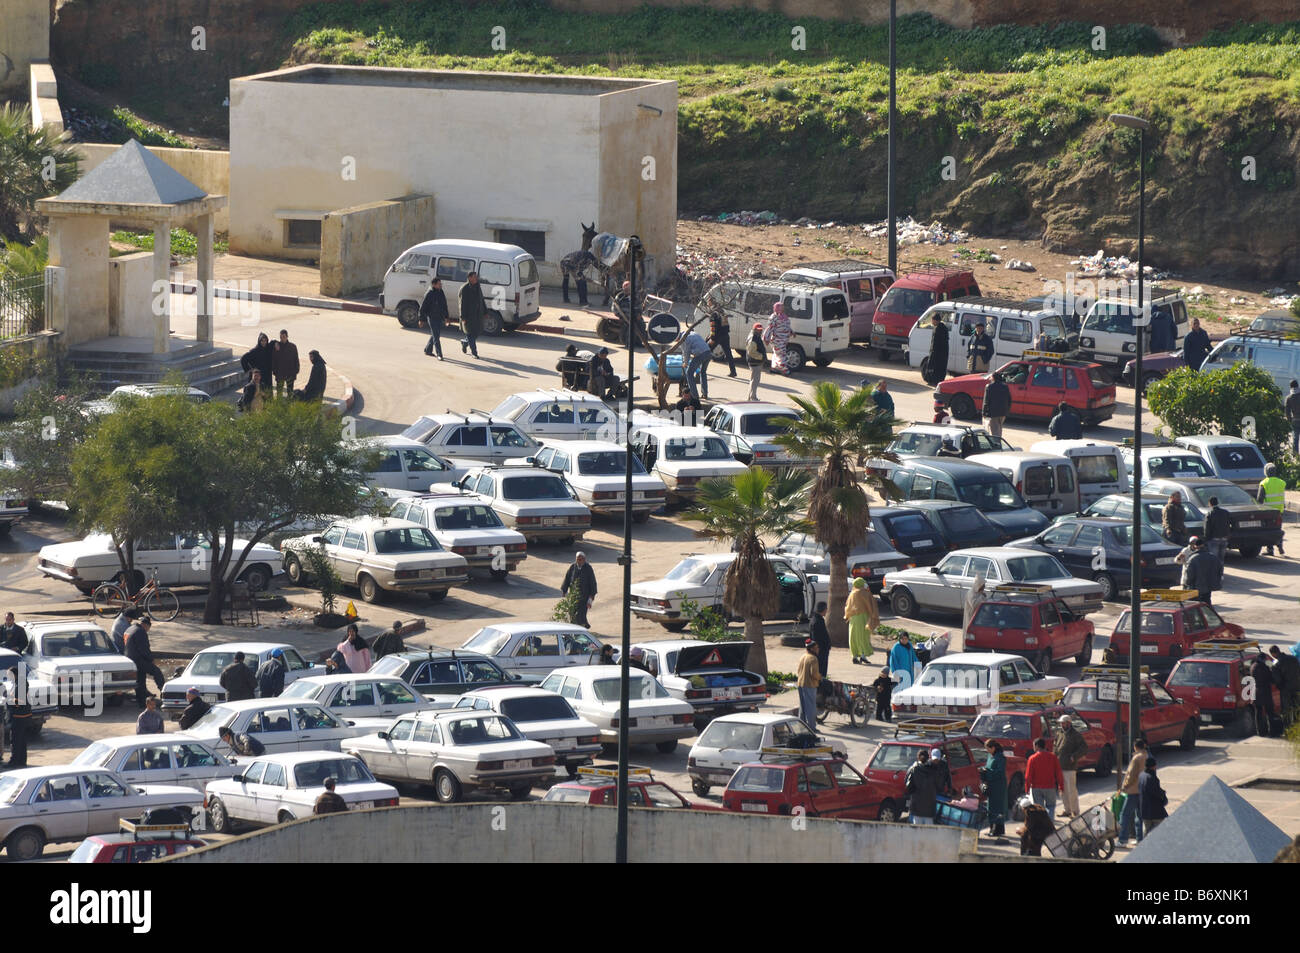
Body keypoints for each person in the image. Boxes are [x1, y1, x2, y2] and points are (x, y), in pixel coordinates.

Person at [123, 616, 165, 709]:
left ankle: (142, 702)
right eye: (148, 629)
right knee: (156, 671)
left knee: (140, 680)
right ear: (146, 625)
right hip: (138, 660)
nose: (147, 631)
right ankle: (164, 692)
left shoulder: (130, 628)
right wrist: (151, 659)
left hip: (129, 659)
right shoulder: (140, 632)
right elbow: (144, 649)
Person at [1054, 714, 1089, 818]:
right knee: (1062, 790)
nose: (1061, 724)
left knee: (1071, 790)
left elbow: (1084, 748)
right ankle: (1067, 810)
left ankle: (1075, 811)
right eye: (1061, 723)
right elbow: (1055, 746)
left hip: (1070, 767)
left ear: (1069, 723)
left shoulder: (1076, 735)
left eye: (1063, 723)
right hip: (1059, 766)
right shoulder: (1059, 733)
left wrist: (1074, 756)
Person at [1025, 736, 1064, 820]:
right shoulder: (1053, 757)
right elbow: (1058, 773)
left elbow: (1028, 776)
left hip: (1036, 787)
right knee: (1051, 806)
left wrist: (1027, 788)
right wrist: (1061, 786)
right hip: (1050, 786)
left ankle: (1042, 826)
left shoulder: (1032, 758)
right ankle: (1050, 825)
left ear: (1037, 746)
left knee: (1039, 809)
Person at [1118, 738, 1148, 845]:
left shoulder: (1136, 758)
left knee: (1125, 814)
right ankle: (1139, 839)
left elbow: (1131, 775)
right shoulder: (1147, 756)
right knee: (1139, 816)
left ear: (1135, 747)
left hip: (1133, 790)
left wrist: (1124, 787)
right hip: (1142, 790)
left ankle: (1122, 839)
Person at [845, 577, 878, 665]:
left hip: (853, 618)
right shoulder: (864, 593)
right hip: (863, 617)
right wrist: (873, 616)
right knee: (863, 637)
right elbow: (871, 605)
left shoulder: (852, 593)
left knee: (854, 637)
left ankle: (854, 656)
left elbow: (848, 607)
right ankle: (863, 656)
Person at [1256, 463, 1286, 556]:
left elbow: (1260, 499)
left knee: (1269, 530)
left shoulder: (1264, 483)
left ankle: (1270, 549)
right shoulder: (1281, 482)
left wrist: (1258, 508)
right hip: (1279, 511)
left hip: (1268, 511)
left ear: (1266, 472)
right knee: (1278, 529)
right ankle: (1280, 547)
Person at [562, 552, 598, 628]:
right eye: (577, 559)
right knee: (573, 613)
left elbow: (593, 583)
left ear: (584, 560)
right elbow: (567, 579)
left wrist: (591, 598)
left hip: (584, 596)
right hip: (574, 596)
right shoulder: (573, 567)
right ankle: (577, 627)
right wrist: (564, 590)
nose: (579, 561)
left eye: (581, 559)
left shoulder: (588, 568)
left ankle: (583, 627)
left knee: (581, 614)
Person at [1182, 536, 1221, 606]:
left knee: (1195, 606)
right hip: (1208, 586)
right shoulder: (1213, 557)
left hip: (1195, 588)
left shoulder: (1193, 559)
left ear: (1195, 546)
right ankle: (1210, 616)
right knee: (1207, 604)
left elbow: (1189, 575)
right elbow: (1219, 571)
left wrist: (1186, 584)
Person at [981, 740, 1008, 839]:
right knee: (991, 807)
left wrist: (987, 772)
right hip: (991, 785)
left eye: (988, 748)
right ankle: (992, 828)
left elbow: (999, 772)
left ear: (993, 748)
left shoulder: (1000, 758)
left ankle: (997, 830)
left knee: (997, 807)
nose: (987, 750)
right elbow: (988, 767)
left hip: (998, 786)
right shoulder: (990, 756)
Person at [904, 748, 940, 825]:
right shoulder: (934, 769)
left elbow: (908, 786)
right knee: (929, 826)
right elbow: (939, 785)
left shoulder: (913, 769)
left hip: (916, 804)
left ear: (918, 757)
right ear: (928, 758)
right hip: (930, 804)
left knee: (916, 827)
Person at [4, 668, 31, 766]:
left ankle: (15, 761)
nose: (8, 677)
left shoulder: (21, 685)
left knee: (16, 740)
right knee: (21, 740)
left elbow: (20, 702)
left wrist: (8, 699)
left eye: (9, 675)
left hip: (19, 717)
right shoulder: (18, 684)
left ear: (14, 675)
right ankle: (21, 761)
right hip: (21, 716)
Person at [1268, 645, 1300, 724]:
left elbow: (1277, 680)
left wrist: (1279, 686)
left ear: (1273, 654)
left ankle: (1288, 727)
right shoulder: (1293, 658)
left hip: (1285, 689)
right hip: (1297, 686)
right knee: (1297, 707)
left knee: (1286, 710)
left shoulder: (1276, 664)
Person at [458, 270, 487, 358]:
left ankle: (465, 342)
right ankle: (474, 353)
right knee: (470, 333)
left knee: (476, 332)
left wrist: (485, 311)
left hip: (477, 315)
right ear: (469, 278)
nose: (476, 278)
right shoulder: (465, 288)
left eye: (476, 277)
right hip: (468, 316)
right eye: (474, 277)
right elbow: (462, 304)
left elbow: (481, 299)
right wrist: (463, 317)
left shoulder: (478, 286)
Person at [420, 277, 449, 359]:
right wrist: (421, 319)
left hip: (439, 317)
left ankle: (428, 350)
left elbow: (444, 305)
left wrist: (446, 317)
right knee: (436, 336)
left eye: (441, 284)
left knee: (435, 334)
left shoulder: (441, 292)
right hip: (431, 317)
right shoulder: (429, 293)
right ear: (434, 284)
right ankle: (439, 354)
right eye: (439, 284)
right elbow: (423, 307)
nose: (441, 285)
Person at [796, 638, 822, 731]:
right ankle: (812, 728)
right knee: (811, 707)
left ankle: (801, 727)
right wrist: (820, 677)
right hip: (809, 685)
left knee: (802, 707)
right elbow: (814, 674)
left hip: (800, 684)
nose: (818, 649)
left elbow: (798, 671)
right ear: (811, 649)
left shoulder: (803, 656)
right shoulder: (813, 658)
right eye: (816, 648)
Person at [1138, 756, 1169, 833]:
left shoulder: (1141, 775)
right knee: (1158, 831)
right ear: (1154, 766)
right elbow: (1156, 792)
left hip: (1144, 809)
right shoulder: (1151, 778)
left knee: (1146, 830)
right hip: (1155, 811)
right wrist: (1164, 796)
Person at [680, 329, 712, 401]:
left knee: (689, 373)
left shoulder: (684, 338)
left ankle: (694, 396)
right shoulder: (693, 333)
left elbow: (686, 352)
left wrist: (685, 363)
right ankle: (705, 394)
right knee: (703, 372)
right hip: (708, 352)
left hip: (700, 354)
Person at [1250, 652, 1277, 737]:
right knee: (1270, 712)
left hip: (1256, 692)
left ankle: (1260, 732)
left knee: (1258, 713)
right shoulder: (1264, 668)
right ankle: (1272, 731)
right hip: (1265, 692)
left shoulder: (1253, 666)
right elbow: (1271, 679)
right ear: (1262, 659)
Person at [762, 302, 792, 375]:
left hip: (784, 340)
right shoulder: (774, 317)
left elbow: (786, 326)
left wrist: (791, 332)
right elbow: (769, 328)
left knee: (777, 353)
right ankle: (784, 369)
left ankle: (774, 368)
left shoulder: (784, 316)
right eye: (781, 307)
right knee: (781, 354)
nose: (783, 308)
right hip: (777, 340)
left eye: (783, 307)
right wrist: (766, 338)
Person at [1203, 496, 1231, 568]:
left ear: (1210, 504)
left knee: (1214, 559)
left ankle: (1214, 575)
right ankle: (1220, 573)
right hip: (1224, 538)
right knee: (1221, 559)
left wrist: (1206, 539)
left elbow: (1207, 528)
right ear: (1217, 503)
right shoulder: (1225, 512)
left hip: (1214, 539)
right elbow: (1229, 524)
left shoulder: (1209, 514)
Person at [982, 372, 1011, 440]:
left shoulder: (989, 386)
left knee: (994, 431)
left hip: (993, 412)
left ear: (993, 378)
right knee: (999, 428)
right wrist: (1007, 410)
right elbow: (1009, 399)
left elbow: (986, 401)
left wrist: (984, 412)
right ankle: (998, 441)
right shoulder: (1005, 386)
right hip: (1003, 412)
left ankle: (996, 445)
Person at [272, 329, 300, 397]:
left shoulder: (292, 346)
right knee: (279, 393)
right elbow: (274, 360)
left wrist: (296, 370)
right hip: (280, 373)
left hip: (290, 373)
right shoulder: (276, 346)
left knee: (290, 392)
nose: (282, 339)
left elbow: (296, 359)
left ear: (287, 336)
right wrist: (275, 371)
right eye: (281, 337)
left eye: (283, 337)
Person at [709, 308, 737, 377]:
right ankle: (733, 372)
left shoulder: (713, 315)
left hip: (717, 337)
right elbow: (727, 326)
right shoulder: (723, 313)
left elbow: (713, 328)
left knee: (707, 351)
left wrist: (712, 338)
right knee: (728, 354)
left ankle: (701, 369)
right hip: (725, 336)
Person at [924, 318, 950, 385]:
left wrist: (932, 352)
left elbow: (936, 343)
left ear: (936, 320)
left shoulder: (939, 329)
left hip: (938, 353)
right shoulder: (942, 328)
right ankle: (936, 381)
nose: (932, 322)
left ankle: (934, 381)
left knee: (935, 367)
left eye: (932, 320)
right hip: (942, 353)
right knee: (939, 368)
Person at [745, 323, 767, 400]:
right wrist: (761, 357)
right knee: (755, 381)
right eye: (758, 330)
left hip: (755, 361)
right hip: (755, 362)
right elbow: (751, 352)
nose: (760, 331)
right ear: (754, 329)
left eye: (761, 330)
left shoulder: (755, 336)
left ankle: (750, 397)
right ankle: (753, 397)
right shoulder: (753, 338)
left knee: (753, 380)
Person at [809, 602, 831, 679]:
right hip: (821, 650)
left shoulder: (815, 619)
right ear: (823, 609)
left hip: (819, 649)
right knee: (821, 670)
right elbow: (818, 637)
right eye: (826, 609)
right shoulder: (818, 621)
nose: (827, 611)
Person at [1288, 381, 1300, 454]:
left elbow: (1287, 411)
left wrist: (1289, 420)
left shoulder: (1289, 398)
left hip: (1295, 420)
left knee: (1295, 438)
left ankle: (1295, 455)